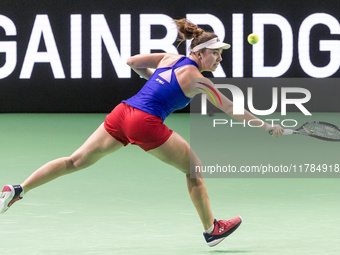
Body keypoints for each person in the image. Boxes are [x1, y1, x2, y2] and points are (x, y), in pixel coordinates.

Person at [0, 18, 284, 247]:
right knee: (194, 169)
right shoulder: (198, 80)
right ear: (198, 53)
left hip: (123, 112)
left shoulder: (170, 59)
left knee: (75, 160)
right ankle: (212, 229)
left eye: (221, 53)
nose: (220, 57)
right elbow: (231, 108)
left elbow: (133, 62)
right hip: (145, 122)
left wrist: (154, 82)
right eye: (215, 52)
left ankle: (17, 189)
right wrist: (267, 126)